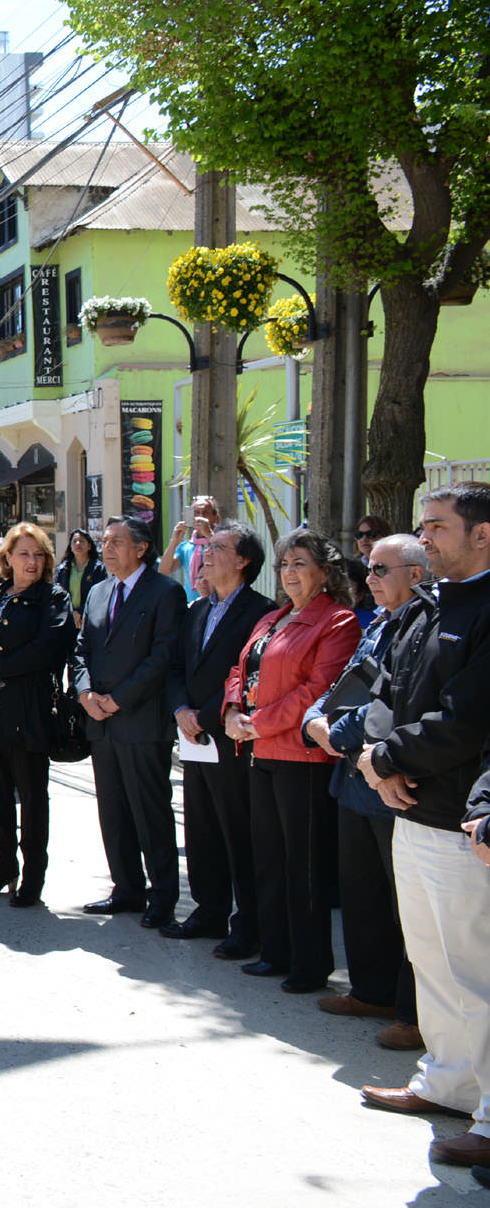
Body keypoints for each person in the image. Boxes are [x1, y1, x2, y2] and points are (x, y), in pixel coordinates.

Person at [358, 484, 490, 1169]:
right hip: (406, 809)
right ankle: (446, 1083)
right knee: (432, 964)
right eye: (422, 527)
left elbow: (465, 719)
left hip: (458, 822)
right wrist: (373, 757)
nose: (425, 539)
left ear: (482, 535)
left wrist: (384, 755)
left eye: (437, 527)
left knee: (477, 972)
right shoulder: (427, 609)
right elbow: (385, 693)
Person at [304, 533, 431, 1048]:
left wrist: (332, 730)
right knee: (362, 895)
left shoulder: (424, 623)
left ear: (416, 575)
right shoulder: (377, 622)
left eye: (381, 570)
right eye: (369, 569)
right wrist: (317, 715)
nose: (370, 579)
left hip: (389, 778)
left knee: (406, 907)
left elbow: (391, 701)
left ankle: (413, 1011)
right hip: (354, 782)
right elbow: (346, 686)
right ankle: (370, 990)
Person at [221, 529, 360, 993]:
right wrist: (234, 710)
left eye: (300, 563)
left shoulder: (337, 621)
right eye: (284, 565)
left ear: (324, 571)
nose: (290, 573)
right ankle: (275, 952)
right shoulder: (273, 618)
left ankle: (309, 963)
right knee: (269, 859)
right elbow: (241, 669)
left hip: (301, 756)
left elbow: (320, 691)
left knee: (304, 865)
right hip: (259, 751)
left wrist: (260, 723)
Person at [164, 520, 276, 953]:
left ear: (244, 560)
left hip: (231, 739)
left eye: (219, 548)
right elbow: (176, 668)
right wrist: (181, 711)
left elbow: (249, 677)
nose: (206, 554)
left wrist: (205, 716)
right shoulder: (197, 611)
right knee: (201, 829)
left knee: (238, 833)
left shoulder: (262, 613)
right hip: (194, 738)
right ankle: (208, 911)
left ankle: (247, 924)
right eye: (206, 548)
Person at [0, 522, 76, 907]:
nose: (32, 562)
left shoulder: (52, 598)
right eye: (24, 554)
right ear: (7, 558)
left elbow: (50, 647)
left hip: (30, 713)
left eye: (38, 554)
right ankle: (3, 865)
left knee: (33, 799)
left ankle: (33, 876)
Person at [72, 515, 188, 926]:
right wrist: (85, 693)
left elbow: (163, 657)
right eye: (104, 541)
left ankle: (162, 897)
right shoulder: (99, 591)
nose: (106, 548)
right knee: (114, 810)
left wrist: (118, 699)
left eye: (116, 541)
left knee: (149, 812)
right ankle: (126, 888)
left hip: (141, 719)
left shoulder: (165, 592)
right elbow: (81, 649)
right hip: (100, 721)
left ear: (140, 548)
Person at [160, 494, 221, 599]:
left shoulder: (222, 542)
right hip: (192, 603)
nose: (200, 516)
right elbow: (164, 571)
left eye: (205, 513)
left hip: (218, 601)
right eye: (196, 513)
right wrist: (174, 541)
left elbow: (228, 558)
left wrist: (209, 535)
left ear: (216, 518)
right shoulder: (186, 547)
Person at [55, 529, 108, 627]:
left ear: (89, 546)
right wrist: (70, 613)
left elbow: (100, 596)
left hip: (90, 619)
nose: (78, 543)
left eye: (82, 541)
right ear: (70, 547)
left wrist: (79, 613)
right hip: (67, 619)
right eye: (74, 541)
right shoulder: (62, 569)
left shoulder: (98, 569)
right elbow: (57, 596)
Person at [349, 513, 394, 615]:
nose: (364, 539)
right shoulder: (352, 567)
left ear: (384, 536)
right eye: (359, 535)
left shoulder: (394, 565)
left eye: (371, 534)